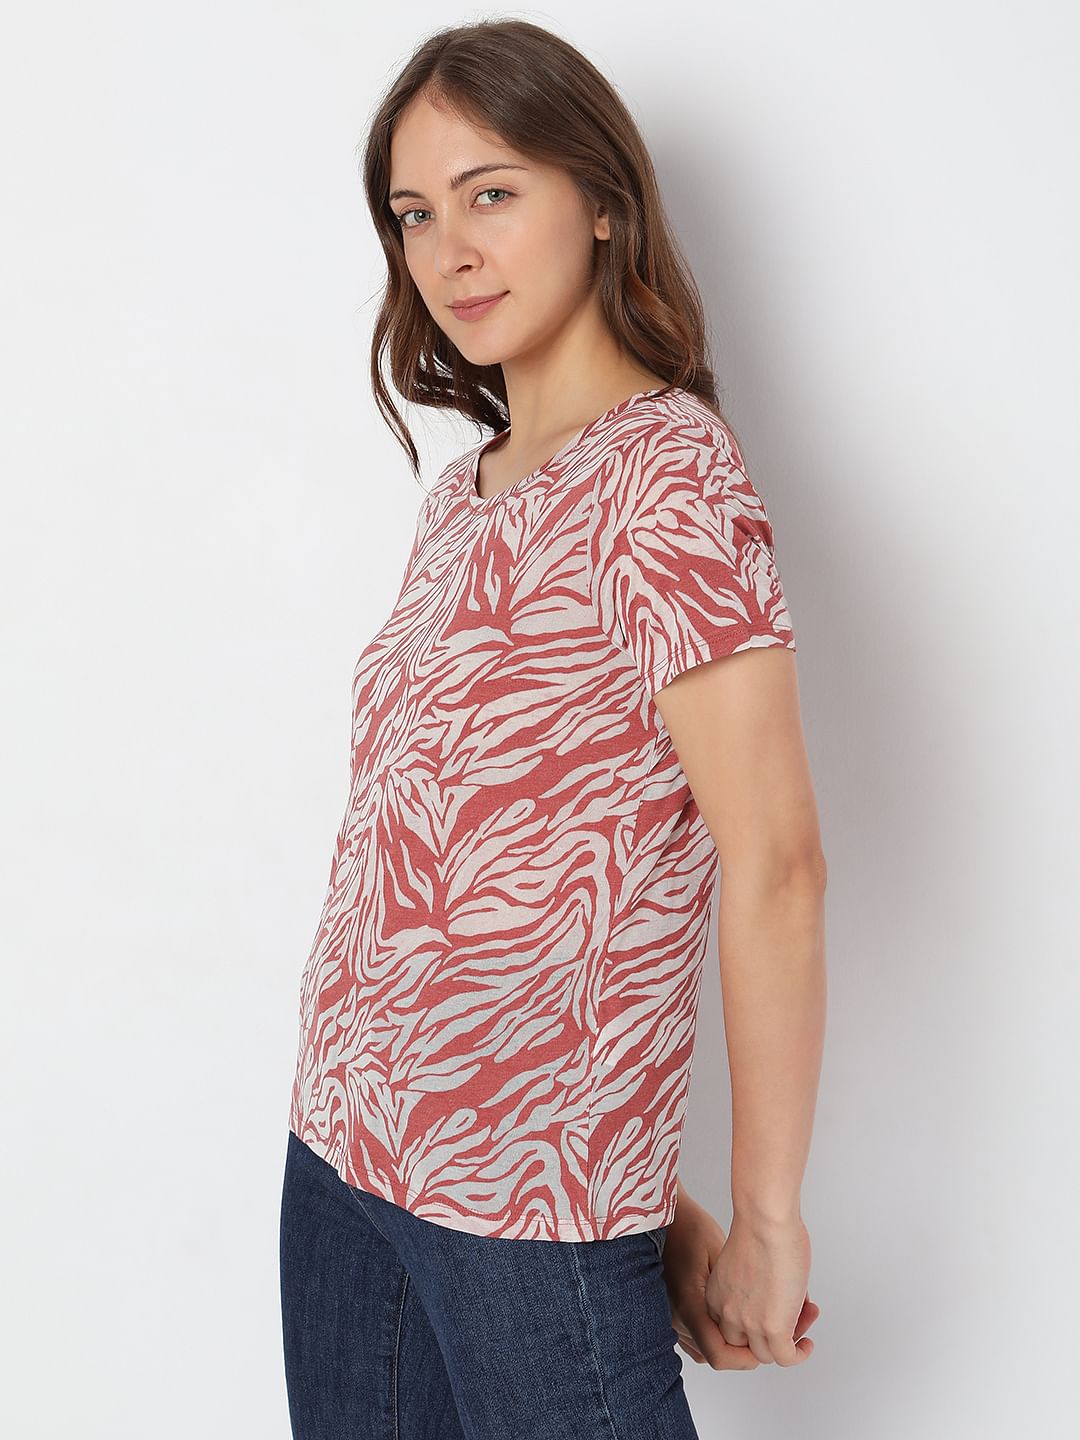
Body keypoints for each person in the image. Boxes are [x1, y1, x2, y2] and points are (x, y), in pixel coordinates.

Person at [279, 18, 826, 1439]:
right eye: (415, 213)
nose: (450, 249)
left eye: (492, 192)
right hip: (342, 1149)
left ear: (600, 201)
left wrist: (763, 1217)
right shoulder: (462, 497)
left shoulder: (671, 478)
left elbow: (775, 863)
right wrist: (666, 1193)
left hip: (527, 1216)